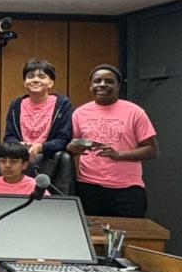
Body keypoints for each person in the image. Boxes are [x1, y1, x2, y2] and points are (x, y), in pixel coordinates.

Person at [67, 64, 158, 218]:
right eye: (97, 81)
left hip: (127, 189)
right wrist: (73, 148)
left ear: (118, 86)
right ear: (90, 86)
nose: (102, 85)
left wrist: (119, 155)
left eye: (109, 81)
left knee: (129, 231)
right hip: (88, 186)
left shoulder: (135, 112)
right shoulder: (79, 113)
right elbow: (70, 146)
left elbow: (152, 150)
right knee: (91, 232)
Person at [4, 58, 73, 162]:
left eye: (41, 77)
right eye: (30, 76)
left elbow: (64, 139)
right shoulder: (15, 105)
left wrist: (41, 147)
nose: (35, 80)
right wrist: (19, 146)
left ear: (51, 83)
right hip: (21, 161)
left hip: (52, 162)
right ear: (25, 82)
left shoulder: (63, 104)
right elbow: (9, 136)